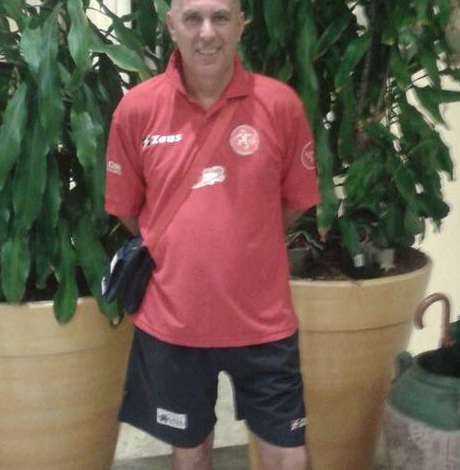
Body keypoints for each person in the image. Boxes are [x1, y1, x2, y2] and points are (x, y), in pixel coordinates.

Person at [104, 0, 319, 468]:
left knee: (288, 453)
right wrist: (176, 240)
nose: (207, 32)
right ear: (172, 26)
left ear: (240, 25)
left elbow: (295, 202)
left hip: (263, 322)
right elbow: (128, 210)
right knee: (191, 452)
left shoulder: (280, 105)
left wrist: (247, 238)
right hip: (175, 322)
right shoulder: (137, 108)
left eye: (220, 17)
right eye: (193, 18)